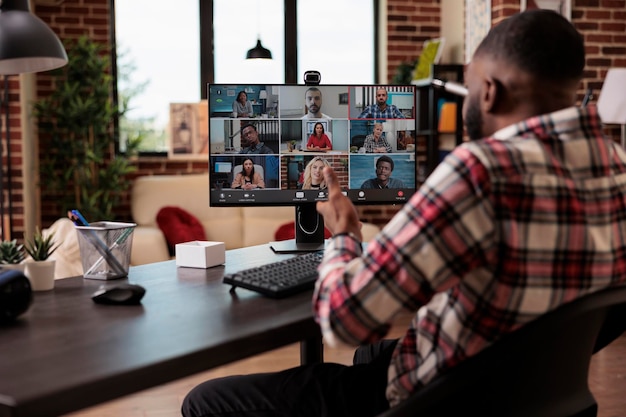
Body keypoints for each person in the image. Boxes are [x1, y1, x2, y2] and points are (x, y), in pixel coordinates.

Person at [183, 10, 626, 417]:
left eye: (468, 88)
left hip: (440, 401)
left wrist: (345, 232)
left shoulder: (480, 171)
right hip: (530, 390)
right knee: (373, 356)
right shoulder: (617, 166)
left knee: (205, 402)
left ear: (489, 91)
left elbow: (344, 320)